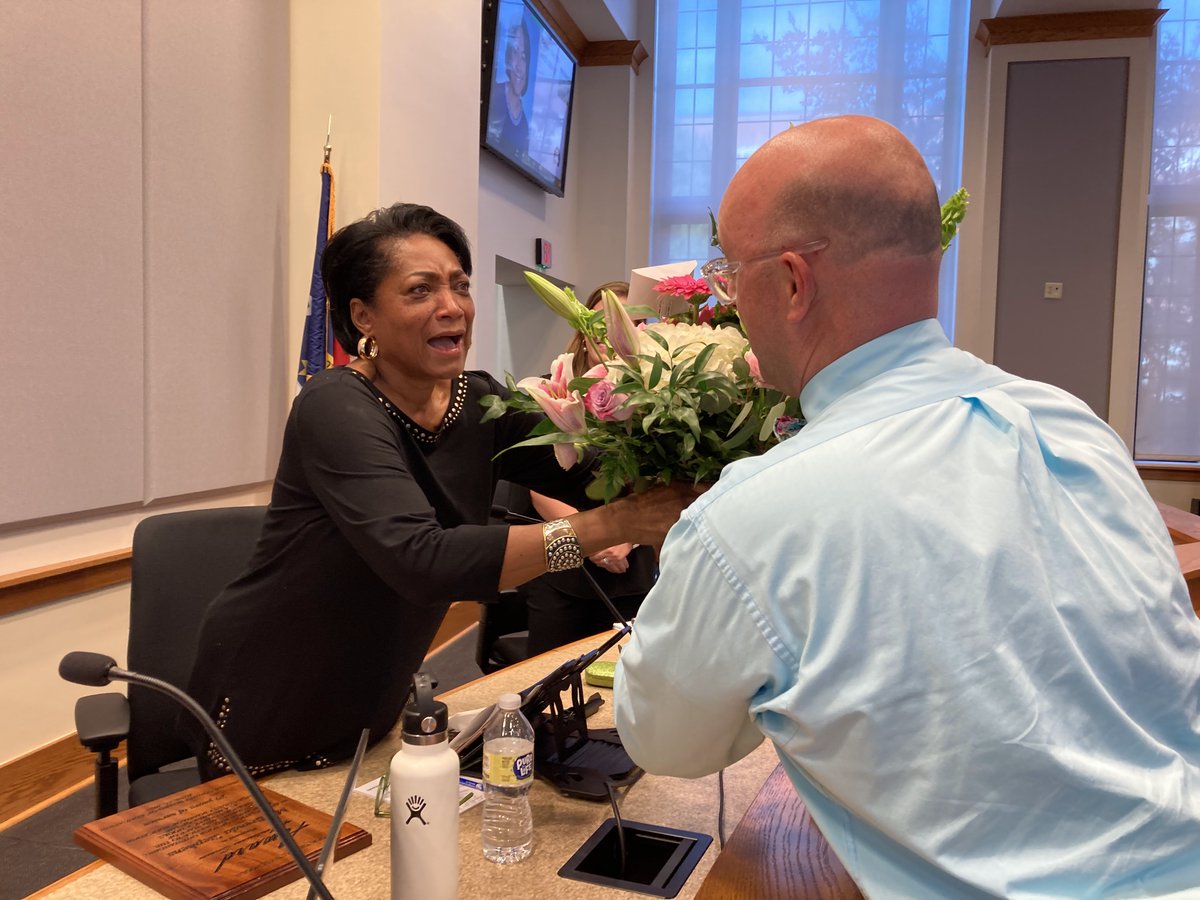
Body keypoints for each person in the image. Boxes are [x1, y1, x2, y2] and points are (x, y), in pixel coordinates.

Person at [612, 116, 1200, 897]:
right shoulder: (1075, 426)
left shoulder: (754, 518)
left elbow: (665, 739)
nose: (729, 303)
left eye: (730, 275)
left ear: (792, 282)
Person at [183, 203, 693, 779]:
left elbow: (595, 477)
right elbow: (424, 562)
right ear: (364, 316)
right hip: (272, 692)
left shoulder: (476, 400)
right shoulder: (335, 406)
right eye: (421, 290)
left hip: (374, 689)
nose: (452, 307)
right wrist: (614, 525)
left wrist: (689, 442)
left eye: (460, 285)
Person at [508, 281, 659, 654]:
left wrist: (626, 539)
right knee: (549, 679)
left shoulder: (658, 396)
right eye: (600, 325)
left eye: (622, 324)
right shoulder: (553, 389)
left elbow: (662, 483)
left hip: (632, 560)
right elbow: (539, 483)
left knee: (624, 679)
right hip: (562, 556)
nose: (609, 336)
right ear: (583, 329)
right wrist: (589, 541)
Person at [487, 18, 530, 159]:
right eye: (514, 53)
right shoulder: (492, 95)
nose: (518, 65)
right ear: (507, 57)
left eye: (523, 57)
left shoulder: (524, 124)